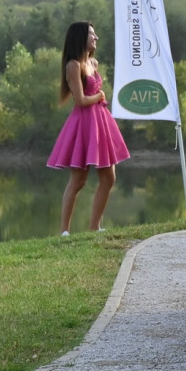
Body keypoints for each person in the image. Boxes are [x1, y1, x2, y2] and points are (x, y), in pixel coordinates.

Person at [47, 21, 130, 235]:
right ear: (80, 37)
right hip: (84, 123)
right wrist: (100, 96)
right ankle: (64, 231)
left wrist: (99, 100)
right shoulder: (73, 65)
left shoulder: (94, 63)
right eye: (92, 34)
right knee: (79, 180)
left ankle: (94, 227)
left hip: (100, 121)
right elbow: (81, 100)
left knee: (109, 176)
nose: (96, 38)